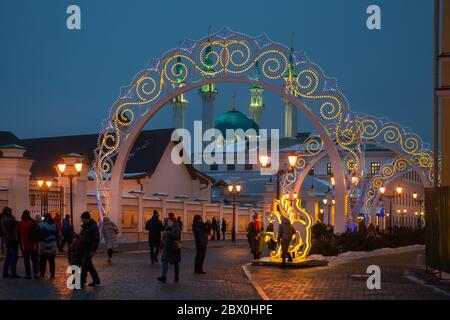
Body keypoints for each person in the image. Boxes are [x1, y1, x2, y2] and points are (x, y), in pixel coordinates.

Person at [15, 210, 40, 279]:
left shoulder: (20, 223)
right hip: (33, 244)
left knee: (26, 260)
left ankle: (28, 274)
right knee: (35, 260)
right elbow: (38, 232)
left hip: (24, 245)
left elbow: (16, 235)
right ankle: (35, 274)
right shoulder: (33, 222)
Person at [79, 211, 101, 287]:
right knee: (89, 265)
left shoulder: (93, 226)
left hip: (88, 249)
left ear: (86, 218)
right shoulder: (85, 226)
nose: (81, 220)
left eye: (82, 218)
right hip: (84, 248)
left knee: (85, 265)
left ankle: (81, 282)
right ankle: (96, 280)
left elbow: (96, 239)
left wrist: (93, 250)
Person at [157, 216, 181, 283]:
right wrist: (161, 245)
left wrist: (169, 233)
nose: (168, 223)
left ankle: (176, 278)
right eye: (168, 221)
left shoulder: (177, 228)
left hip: (174, 249)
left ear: (173, 222)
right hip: (167, 248)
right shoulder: (166, 228)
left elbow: (177, 237)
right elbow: (164, 238)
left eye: (170, 221)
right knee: (165, 262)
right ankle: (163, 277)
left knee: (176, 263)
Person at [39, 213, 60, 279]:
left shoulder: (41, 225)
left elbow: (38, 234)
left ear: (44, 217)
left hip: (43, 244)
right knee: (51, 261)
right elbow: (58, 234)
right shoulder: (55, 225)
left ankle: (42, 273)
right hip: (52, 244)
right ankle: (52, 274)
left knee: (43, 261)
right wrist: (58, 244)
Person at [1, 207, 20, 278]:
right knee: (14, 257)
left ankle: (5, 273)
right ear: (7, 212)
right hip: (12, 240)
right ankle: (13, 273)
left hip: (7, 240)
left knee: (8, 257)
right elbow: (17, 222)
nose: (11, 212)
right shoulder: (8, 219)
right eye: (9, 211)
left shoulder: (4, 219)